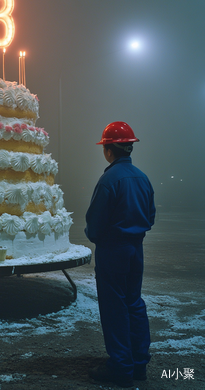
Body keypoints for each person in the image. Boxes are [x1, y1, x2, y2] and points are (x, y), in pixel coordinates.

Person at [85, 121, 155, 388]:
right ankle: (139, 365)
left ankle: (120, 367)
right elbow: (150, 216)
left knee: (114, 308)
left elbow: (94, 226)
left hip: (113, 250)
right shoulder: (142, 178)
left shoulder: (108, 181)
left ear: (109, 150)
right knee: (134, 303)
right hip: (135, 249)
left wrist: (98, 236)